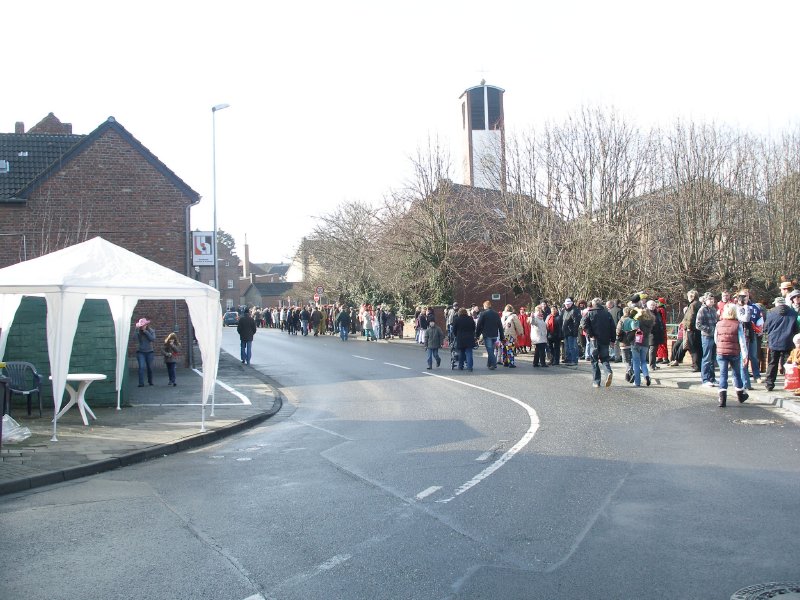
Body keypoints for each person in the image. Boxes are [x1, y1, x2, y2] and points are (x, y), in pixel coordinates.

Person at [714, 304, 749, 407]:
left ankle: (722, 399)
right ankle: (740, 395)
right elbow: (742, 341)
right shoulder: (737, 324)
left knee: (723, 375)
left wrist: (720, 347)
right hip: (734, 353)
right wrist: (745, 355)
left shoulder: (718, 324)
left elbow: (716, 339)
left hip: (721, 353)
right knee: (736, 374)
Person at [764, 297, 800, 391]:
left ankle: (769, 384)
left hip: (774, 341)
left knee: (773, 363)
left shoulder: (771, 313)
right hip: (788, 341)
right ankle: (790, 382)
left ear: (776, 304)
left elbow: (766, 328)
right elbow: (796, 329)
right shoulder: (793, 313)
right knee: (788, 363)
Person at [581, 298, 616, 388]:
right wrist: (613, 340)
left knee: (594, 360)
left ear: (593, 304)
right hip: (605, 339)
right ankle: (608, 372)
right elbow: (613, 327)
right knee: (604, 358)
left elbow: (583, 324)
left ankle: (596, 381)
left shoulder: (589, 313)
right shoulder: (607, 313)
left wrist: (590, 334)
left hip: (594, 340)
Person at [696, 292, 718, 387]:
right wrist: (710, 329)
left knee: (713, 359)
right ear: (705, 300)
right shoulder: (702, 310)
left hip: (714, 336)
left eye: (712, 299)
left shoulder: (713, 309)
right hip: (706, 336)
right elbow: (698, 325)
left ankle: (712, 378)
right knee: (707, 358)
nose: (711, 301)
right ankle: (705, 379)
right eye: (709, 299)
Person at [475, 301, 504, 370]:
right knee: (491, 349)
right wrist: (502, 336)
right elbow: (500, 326)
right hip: (494, 334)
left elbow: (479, 325)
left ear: (485, 306)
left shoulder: (483, 314)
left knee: (490, 350)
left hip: (487, 334)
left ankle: (493, 363)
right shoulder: (496, 314)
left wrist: (477, 335)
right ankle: (489, 364)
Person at [630, 306, 654, 387]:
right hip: (645, 343)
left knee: (636, 363)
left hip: (636, 342)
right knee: (643, 361)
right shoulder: (651, 321)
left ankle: (637, 382)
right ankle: (646, 375)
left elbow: (633, 326)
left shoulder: (639, 320)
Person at [681, 290, 702, 372]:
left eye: (689, 296)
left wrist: (688, 327)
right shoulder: (699, 304)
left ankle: (696, 365)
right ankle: (698, 365)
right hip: (698, 329)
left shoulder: (692, 305)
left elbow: (691, 317)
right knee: (698, 348)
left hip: (692, 330)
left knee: (693, 348)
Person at [134, 317, 156, 387]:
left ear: (146, 325)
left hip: (150, 352)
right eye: (141, 326)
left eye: (143, 325)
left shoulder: (151, 331)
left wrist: (146, 332)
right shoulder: (138, 331)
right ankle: (141, 383)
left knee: (150, 368)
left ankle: (150, 381)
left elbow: (152, 339)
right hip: (141, 352)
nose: (142, 327)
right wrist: (136, 330)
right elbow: (134, 339)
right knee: (141, 367)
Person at [452, 307, 476, 371]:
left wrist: (456, 335)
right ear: (466, 312)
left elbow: (454, 330)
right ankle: (470, 367)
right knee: (469, 352)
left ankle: (460, 366)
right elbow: (474, 328)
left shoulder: (457, 319)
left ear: (459, 313)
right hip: (469, 338)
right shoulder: (470, 319)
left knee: (461, 353)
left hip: (460, 338)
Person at [561, 298, 581, 366]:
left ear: (571, 303)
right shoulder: (565, 311)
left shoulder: (574, 311)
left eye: (568, 304)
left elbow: (576, 322)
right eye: (566, 304)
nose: (567, 305)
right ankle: (568, 359)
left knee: (572, 346)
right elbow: (563, 320)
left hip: (571, 331)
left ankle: (574, 360)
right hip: (566, 331)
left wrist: (574, 331)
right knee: (567, 346)